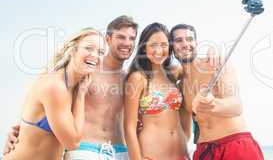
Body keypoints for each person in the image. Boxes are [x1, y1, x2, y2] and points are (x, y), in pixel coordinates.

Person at [2, 16, 138, 160]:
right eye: (121, 37)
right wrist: (18, 130)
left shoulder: (131, 79)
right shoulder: (86, 73)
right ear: (108, 39)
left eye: (131, 38)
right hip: (85, 150)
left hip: (119, 150)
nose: (126, 43)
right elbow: (39, 107)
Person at [2, 28, 105, 160]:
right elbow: (73, 143)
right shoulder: (55, 85)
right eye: (89, 48)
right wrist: (80, 96)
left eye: (101, 52)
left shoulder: (78, 84)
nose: (95, 55)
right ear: (73, 50)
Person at [170, 24, 264, 160]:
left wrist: (213, 104)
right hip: (204, 150)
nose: (185, 44)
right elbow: (185, 133)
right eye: (179, 40)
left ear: (196, 43)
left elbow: (236, 106)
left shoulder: (217, 64)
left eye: (190, 39)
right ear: (172, 47)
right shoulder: (180, 85)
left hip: (235, 145)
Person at [124, 22, 191, 160]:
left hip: (181, 154)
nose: (159, 50)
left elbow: (198, 70)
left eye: (163, 45)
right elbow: (129, 128)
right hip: (152, 155)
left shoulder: (175, 72)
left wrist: (213, 55)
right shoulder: (138, 78)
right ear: (144, 48)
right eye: (153, 45)